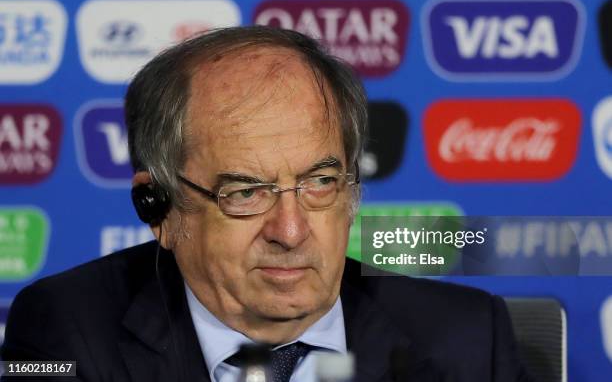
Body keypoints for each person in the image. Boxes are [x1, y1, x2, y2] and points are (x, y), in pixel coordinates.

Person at [1, 26, 532, 382]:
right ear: (158, 207)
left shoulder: (467, 337)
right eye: (246, 192)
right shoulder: (66, 331)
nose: (292, 230)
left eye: (320, 182)